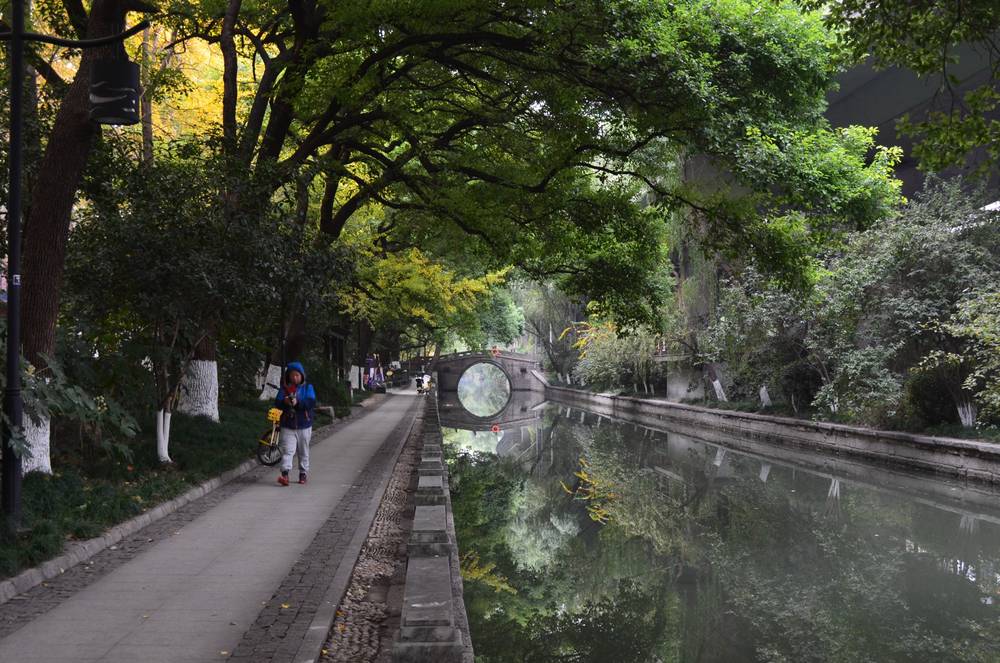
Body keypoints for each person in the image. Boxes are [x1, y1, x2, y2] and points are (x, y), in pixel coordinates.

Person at [274, 361, 316, 486]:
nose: (295, 378)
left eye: (297, 375)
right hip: (288, 424)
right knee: (288, 450)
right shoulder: (285, 388)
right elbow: (277, 402)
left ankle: (303, 473)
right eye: (292, 375)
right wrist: (285, 402)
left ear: (302, 375)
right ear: (288, 376)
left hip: (304, 425)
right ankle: (285, 474)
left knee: (303, 451)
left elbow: (311, 402)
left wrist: (298, 403)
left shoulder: (308, 388)